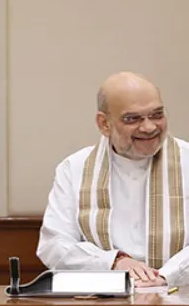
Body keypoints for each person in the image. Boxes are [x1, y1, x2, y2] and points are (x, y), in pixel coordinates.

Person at [38, 72, 189, 288]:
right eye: (132, 119)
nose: (149, 127)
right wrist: (113, 263)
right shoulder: (75, 168)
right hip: (103, 300)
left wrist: (165, 276)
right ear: (104, 124)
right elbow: (53, 245)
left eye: (156, 115)